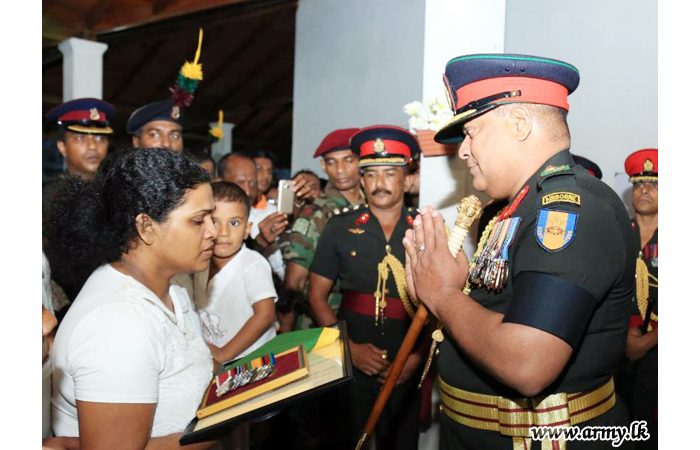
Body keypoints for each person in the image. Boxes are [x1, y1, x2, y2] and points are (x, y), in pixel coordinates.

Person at [403, 54, 636, 449]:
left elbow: (527, 363)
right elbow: (496, 312)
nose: (463, 151)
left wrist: (442, 296)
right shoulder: (511, 209)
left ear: (519, 124)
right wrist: (446, 287)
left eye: (472, 133)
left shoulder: (568, 207)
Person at [49, 148, 216, 449]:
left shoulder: (173, 284)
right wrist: (227, 421)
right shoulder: (117, 323)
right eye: (198, 221)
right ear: (147, 227)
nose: (213, 232)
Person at [308, 125, 423, 450]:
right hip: (349, 361)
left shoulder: (427, 229)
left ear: (407, 179)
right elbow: (315, 294)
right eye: (371, 174)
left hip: (405, 359)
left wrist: (414, 358)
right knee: (344, 440)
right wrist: (348, 348)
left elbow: (437, 306)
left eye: (390, 173)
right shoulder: (339, 226)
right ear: (362, 180)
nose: (380, 183)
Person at [281, 128, 364, 332]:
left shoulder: (375, 206)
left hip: (364, 321)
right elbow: (294, 283)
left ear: (361, 161)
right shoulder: (316, 213)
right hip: (320, 326)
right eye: (332, 162)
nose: (341, 170)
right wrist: (284, 340)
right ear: (323, 166)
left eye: (348, 160)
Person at [194, 181, 278, 364]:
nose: (224, 232)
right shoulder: (199, 263)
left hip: (254, 359)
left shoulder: (251, 263)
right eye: (215, 222)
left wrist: (224, 353)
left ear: (247, 229)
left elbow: (265, 315)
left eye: (234, 223)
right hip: (217, 359)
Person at [619, 148, 658, 450]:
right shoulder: (618, 236)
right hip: (615, 348)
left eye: (655, 185)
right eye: (639, 184)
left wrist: (648, 341)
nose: (644, 190)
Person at [45, 98, 114, 180]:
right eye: (80, 138)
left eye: (100, 138)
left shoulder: (121, 191)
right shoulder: (47, 192)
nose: (92, 146)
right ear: (62, 147)